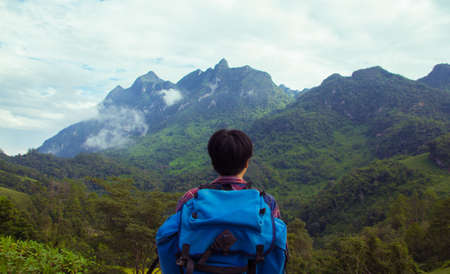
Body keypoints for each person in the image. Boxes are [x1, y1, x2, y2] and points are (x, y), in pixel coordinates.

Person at [176, 128, 281, 218]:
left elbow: (177, 237)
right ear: (247, 163)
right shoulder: (266, 202)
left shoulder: (191, 198)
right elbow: (277, 240)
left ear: (213, 162)